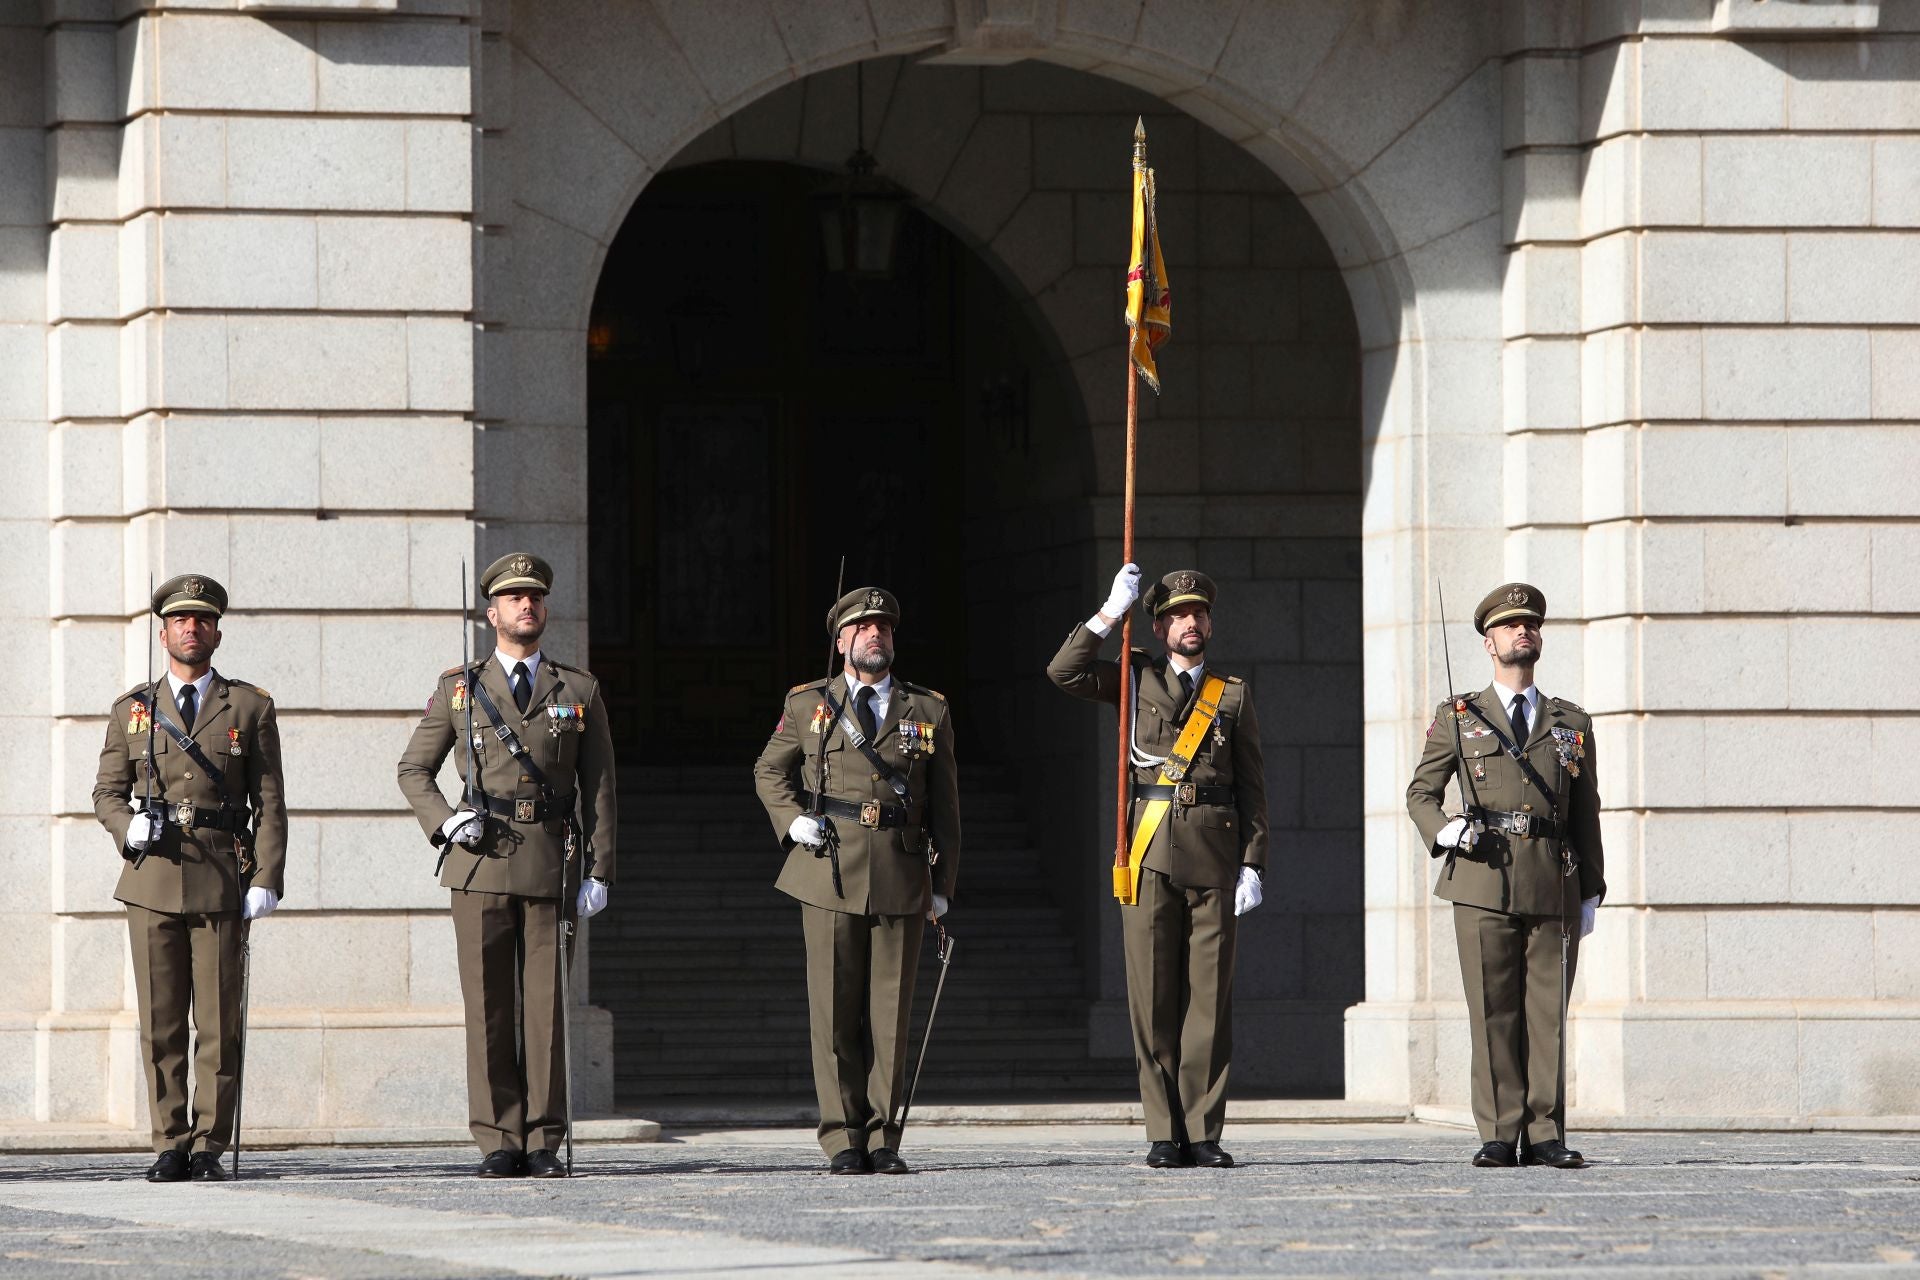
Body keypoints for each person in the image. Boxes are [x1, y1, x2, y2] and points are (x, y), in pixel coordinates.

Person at [396, 552, 616, 1178]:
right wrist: (445, 819)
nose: (527, 606)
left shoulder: (578, 689)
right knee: (490, 1003)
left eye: (536, 597)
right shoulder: (459, 689)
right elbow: (413, 769)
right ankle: (498, 1136)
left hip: (551, 859)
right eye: (514, 598)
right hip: (480, 860)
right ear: (491, 612)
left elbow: (599, 786)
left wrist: (600, 869)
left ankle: (544, 1136)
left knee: (545, 1006)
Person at [1047, 565, 1269, 1169]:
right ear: (1159, 624)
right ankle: (1162, 1129)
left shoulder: (1233, 694)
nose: (1190, 623)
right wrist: (1106, 613)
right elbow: (1063, 671)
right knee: (1151, 998)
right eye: (1177, 615)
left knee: (1209, 1000)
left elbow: (1252, 787)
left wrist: (1254, 864)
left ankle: (1203, 1129)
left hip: (1218, 858)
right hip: (1148, 853)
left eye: (1199, 613)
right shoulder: (1133, 676)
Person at [752, 587, 961, 1175]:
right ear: (840, 640)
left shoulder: (929, 710)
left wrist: (942, 885)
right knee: (835, 1009)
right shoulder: (808, 704)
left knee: (890, 1014)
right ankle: (842, 1136)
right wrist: (793, 821)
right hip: (830, 871)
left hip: (901, 868)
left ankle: (884, 1137)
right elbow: (769, 768)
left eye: (884, 628)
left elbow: (946, 808)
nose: (875, 635)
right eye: (863, 628)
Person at [91, 574, 287, 1182]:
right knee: (162, 1020)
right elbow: (106, 791)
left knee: (221, 1021)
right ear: (164, 633)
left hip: (222, 876)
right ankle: (170, 1141)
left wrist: (268, 876)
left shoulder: (249, 706)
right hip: (152, 878)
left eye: (201, 620)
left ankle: (209, 1144)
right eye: (181, 620)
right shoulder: (133, 710)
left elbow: (271, 799)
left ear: (217, 632)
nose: (191, 629)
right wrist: (126, 828)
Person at [1405, 582, 1606, 1169]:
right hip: (1482, 876)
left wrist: (1592, 888)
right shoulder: (1459, 716)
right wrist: (1443, 830)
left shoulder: (1571, 721)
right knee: (1493, 1009)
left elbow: (1585, 811)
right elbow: (1421, 792)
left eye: (1532, 625)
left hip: (1552, 878)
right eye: (1512, 626)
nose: (1524, 632)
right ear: (1489, 642)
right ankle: (1498, 1130)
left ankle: (1545, 1132)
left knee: (1547, 1014)